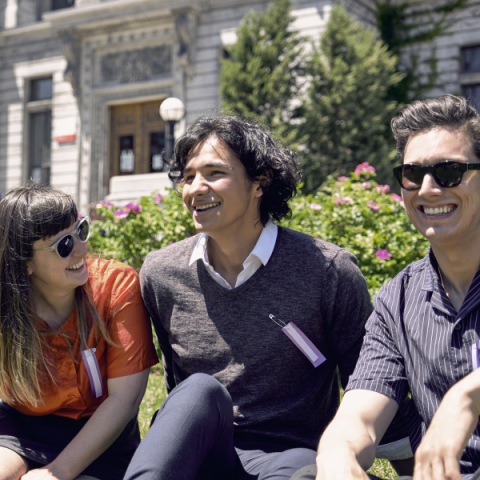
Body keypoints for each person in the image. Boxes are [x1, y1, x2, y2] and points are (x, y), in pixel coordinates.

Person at [124, 115, 411, 480]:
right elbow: (178, 395)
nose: (195, 188)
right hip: (205, 455)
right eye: (188, 176)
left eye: (214, 173)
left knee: (298, 470)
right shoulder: (161, 273)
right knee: (198, 389)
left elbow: (370, 383)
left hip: (290, 458)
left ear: (260, 182)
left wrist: (412, 470)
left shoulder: (327, 271)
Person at [290, 94, 480, 480]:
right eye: (413, 174)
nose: (428, 189)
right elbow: (360, 414)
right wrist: (337, 454)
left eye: (448, 171)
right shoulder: (398, 299)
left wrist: (466, 396)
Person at [0, 185, 158, 480]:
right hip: (22, 429)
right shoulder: (5, 305)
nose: (82, 248)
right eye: (63, 245)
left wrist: (56, 472)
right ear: (25, 262)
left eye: (81, 230)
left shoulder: (115, 286)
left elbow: (125, 400)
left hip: (102, 436)